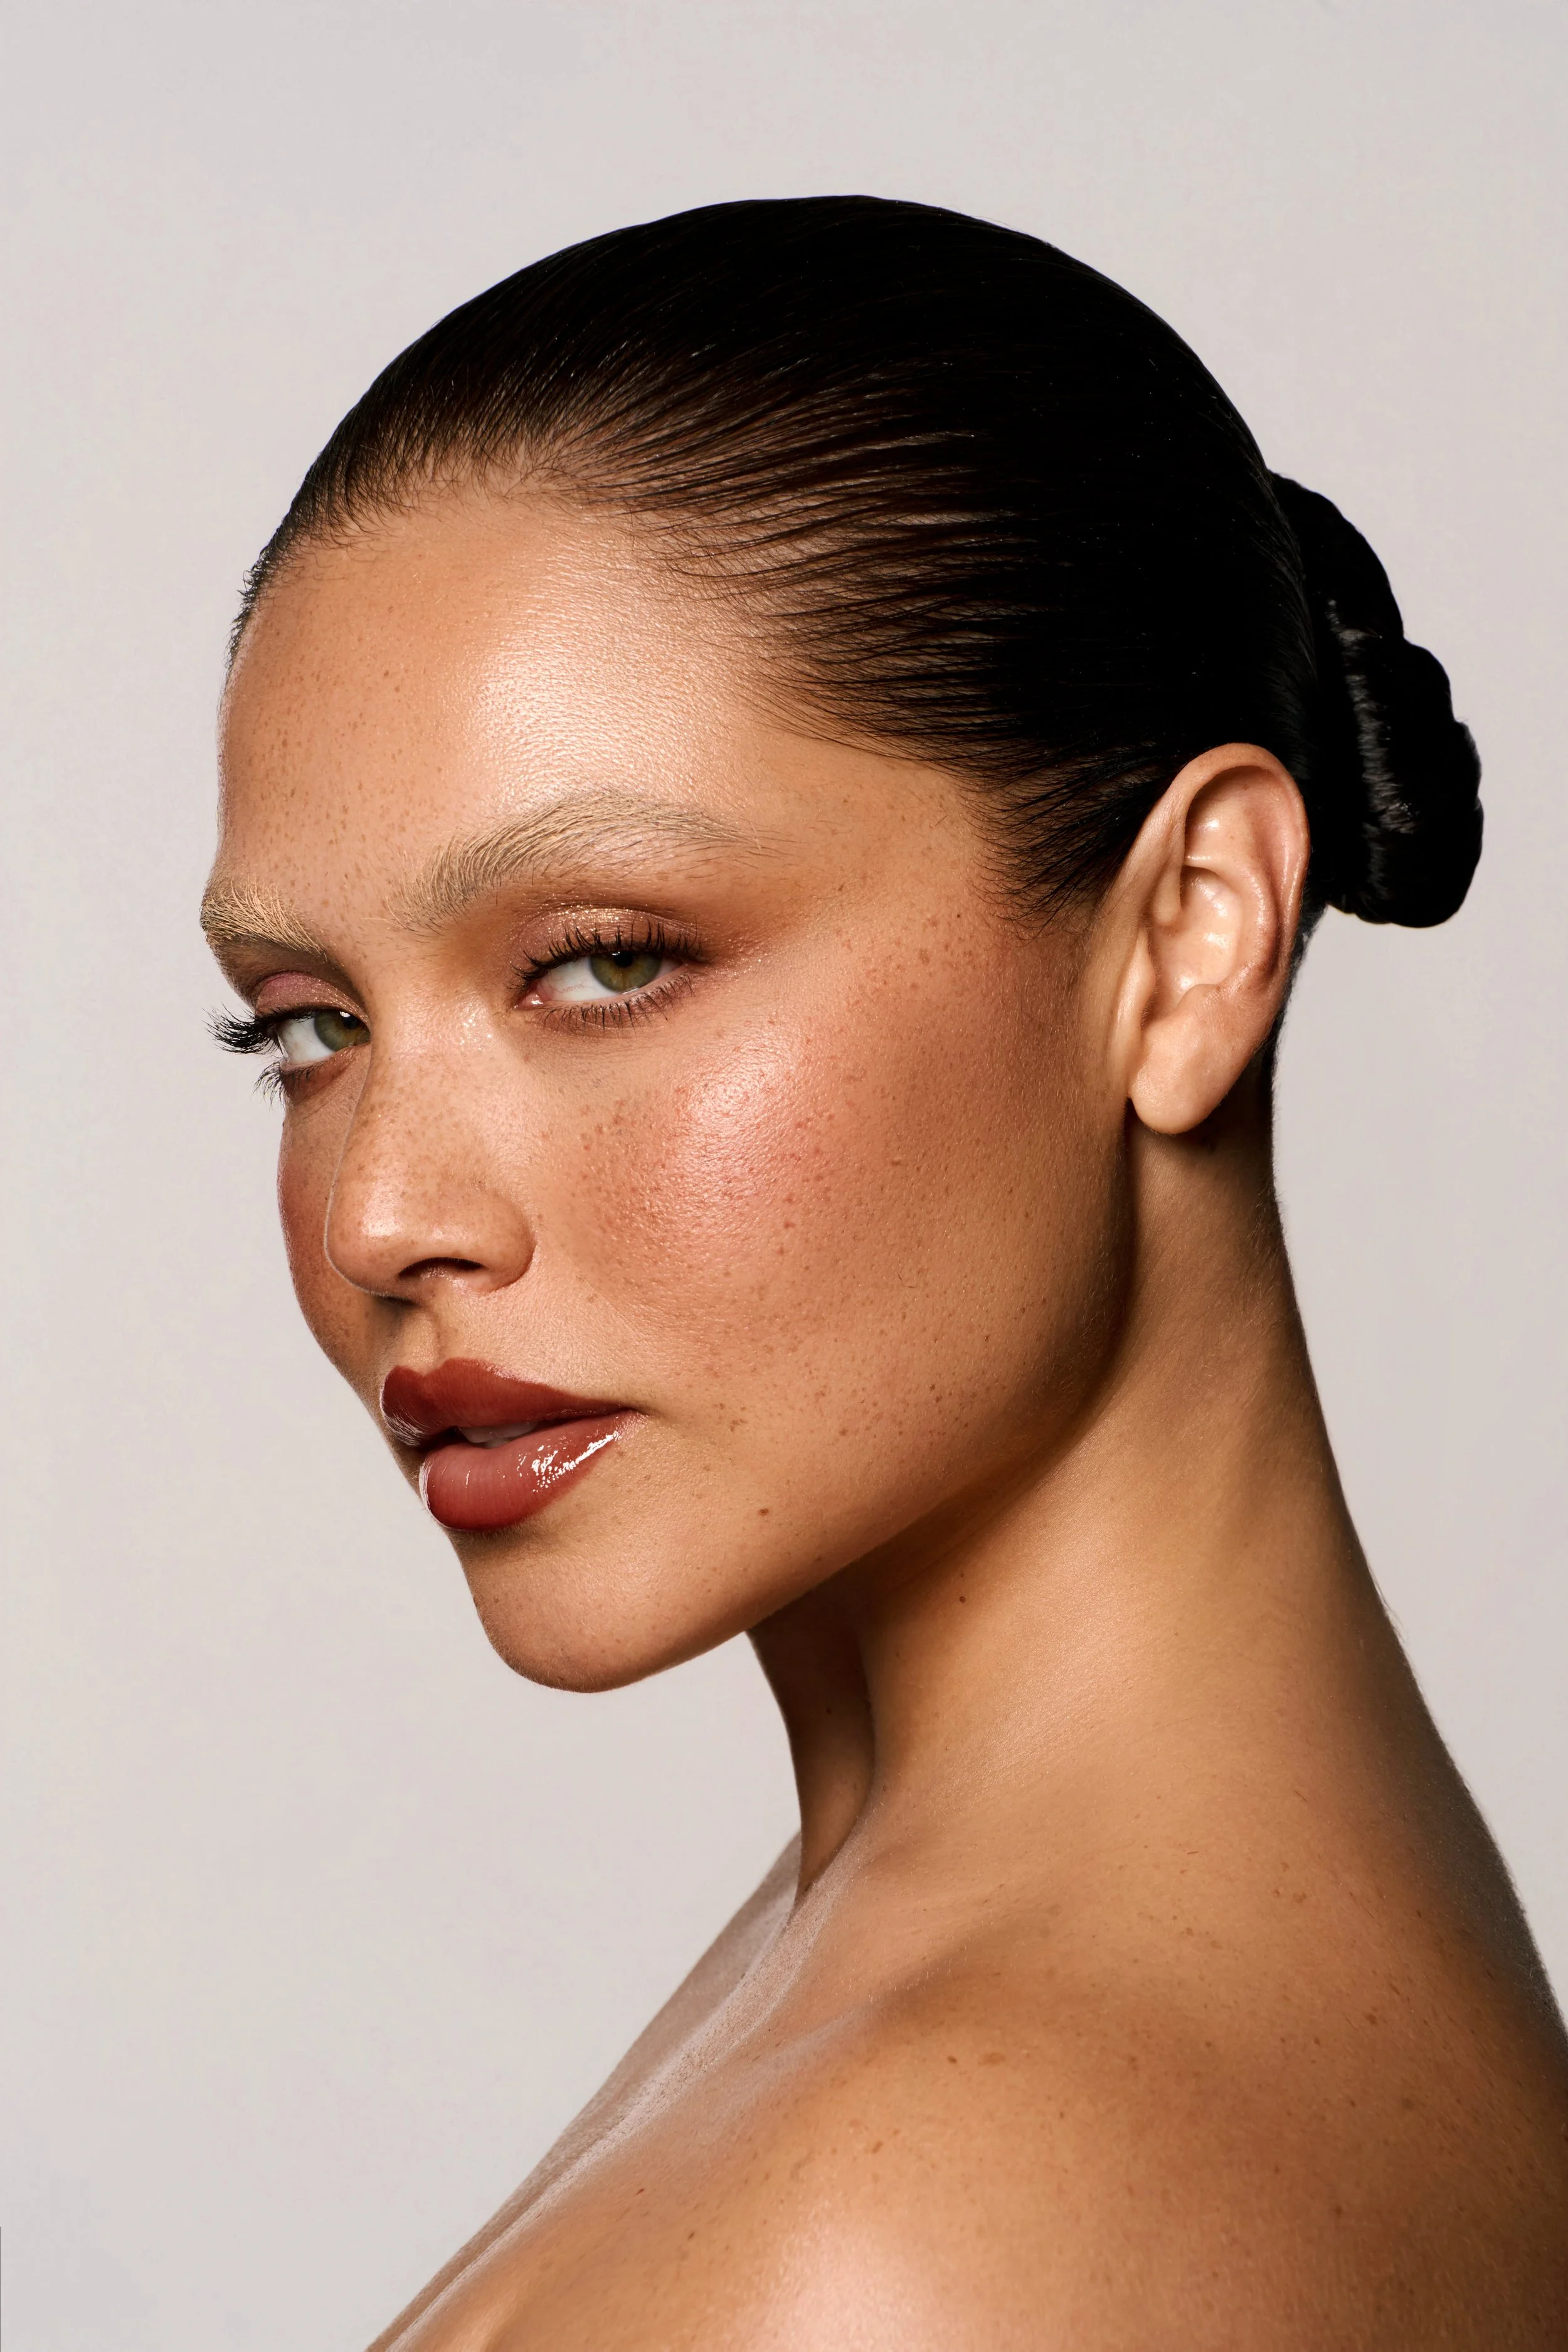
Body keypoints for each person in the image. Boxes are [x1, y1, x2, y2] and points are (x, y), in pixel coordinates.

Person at [203, 198, 1568, 2348]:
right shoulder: (1059, 1979)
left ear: (1190, 933)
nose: (384, 1215)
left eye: (606, 961)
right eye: (307, 1022)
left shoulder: (938, 2226)